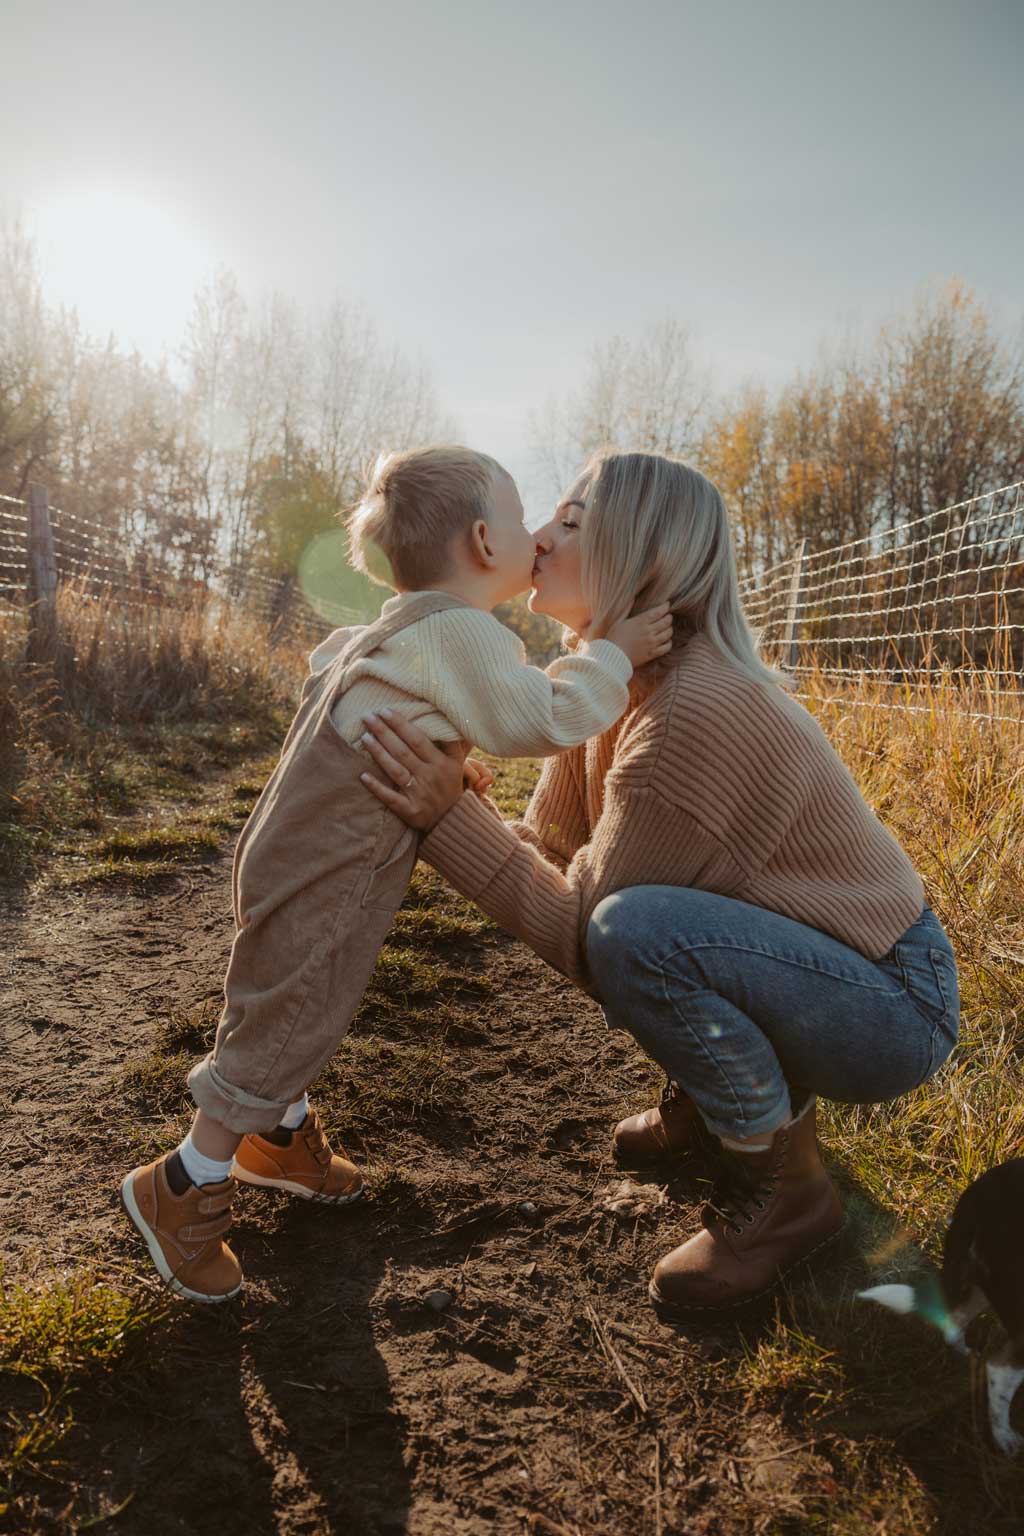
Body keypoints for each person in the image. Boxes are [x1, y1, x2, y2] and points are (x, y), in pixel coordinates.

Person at [359, 449, 961, 1316]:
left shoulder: (688, 711)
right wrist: (475, 809)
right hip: (821, 965)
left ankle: (789, 1198)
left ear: (637, 553)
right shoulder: (608, 684)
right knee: (635, 917)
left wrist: (448, 819)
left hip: (893, 1003)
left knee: (633, 932)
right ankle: (722, 1101)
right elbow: (558, 848)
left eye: (569, 521)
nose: (538, 537)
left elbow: (582, 930)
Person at [120, 445, 673, 1303]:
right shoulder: (463, 632)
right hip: (334, 859)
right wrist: (613, 656)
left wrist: (449, 750)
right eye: (526, 516)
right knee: (288, 1008)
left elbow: (354, 701)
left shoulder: (385, 628)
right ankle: (185, 1184)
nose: (538, 534)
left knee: (308, 993)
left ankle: (280, 1133)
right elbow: (546, 715)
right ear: (487, 542)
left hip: (295, 845)